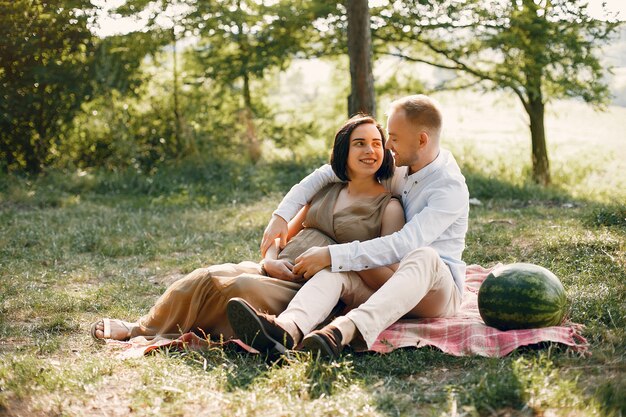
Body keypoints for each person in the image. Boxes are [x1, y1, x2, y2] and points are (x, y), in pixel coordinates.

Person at [90, 115, 404, 343]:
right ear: (343, 152)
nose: (370, 150)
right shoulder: (325, 190)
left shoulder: (388, 207)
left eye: (376, 144)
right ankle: (140, 329)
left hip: (311, 290)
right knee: (206, 276)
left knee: (240, 288)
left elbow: (390, 278)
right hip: (275, 270)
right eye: (359, 143)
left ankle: (204, 330)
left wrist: (335, 257)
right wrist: (270, 260)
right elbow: (283, 236)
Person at [228, 94, 469, 358]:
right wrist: (281, 216)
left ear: (422, 140)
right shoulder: (403, 167)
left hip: (435, 291)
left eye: (394, 138)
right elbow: (327, 173)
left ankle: (343, 330)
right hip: (389, 284)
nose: (387, 145)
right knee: (337, 271)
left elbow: (404, 244)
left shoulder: (448, 188)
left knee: (424, 256)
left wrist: (332, 253)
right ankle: (286, 329)